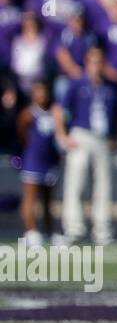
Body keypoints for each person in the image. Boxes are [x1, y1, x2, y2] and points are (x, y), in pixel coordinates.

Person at [60, 45, 117, 245]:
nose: (96, 66)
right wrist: (63, 136)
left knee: (103, 185)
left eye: (100, 62)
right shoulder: (77, 84)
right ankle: (74, 227)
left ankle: (102, 230)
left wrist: (115, 138)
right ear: (87, 62)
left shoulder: (109, 87)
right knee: (75, 182)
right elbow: (60, 110)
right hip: (81, 134)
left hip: (102, 138)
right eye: (93, 61)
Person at [16, 79, 63, 247]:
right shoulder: (28, 114)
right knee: (30, 197)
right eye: (38, 91)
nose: (42, 95)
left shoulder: (53, 113)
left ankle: (50, 232)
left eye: (44, 91)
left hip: (49, 161)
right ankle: (31, 231)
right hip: (32, 161)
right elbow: (21, 134)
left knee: (48, 200)